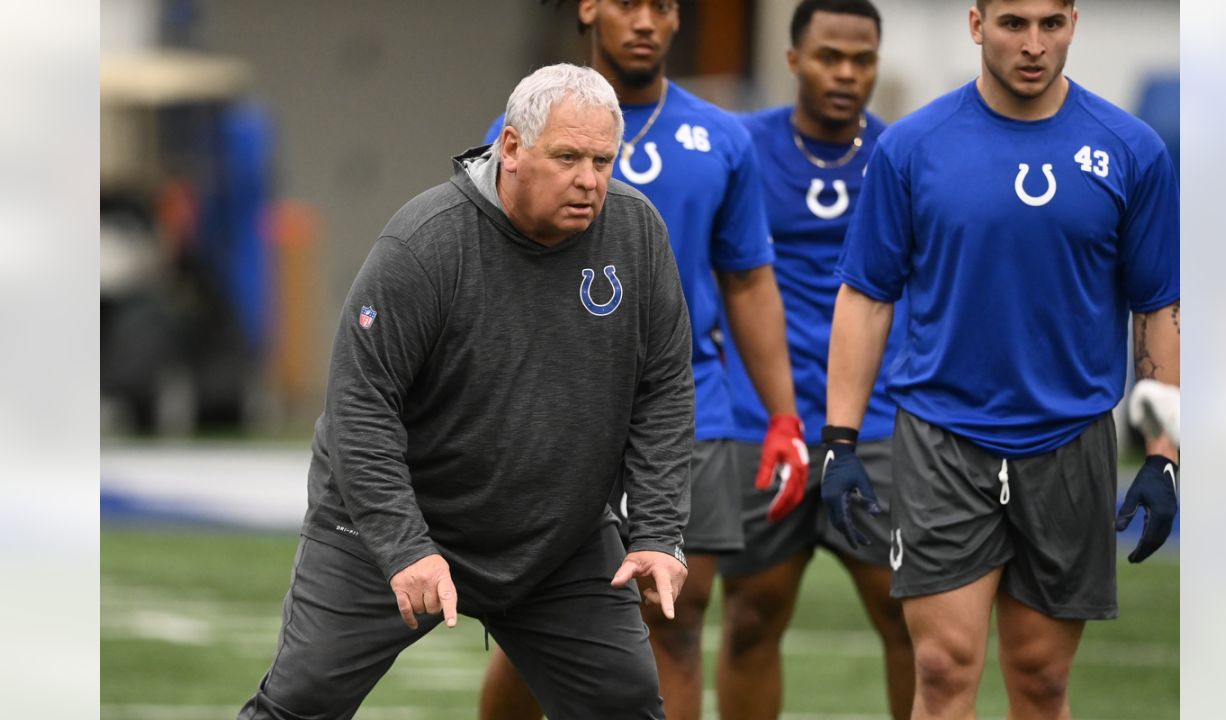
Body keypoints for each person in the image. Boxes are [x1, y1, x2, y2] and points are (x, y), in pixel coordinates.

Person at [237, 63, 695, 720]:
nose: (589, 181)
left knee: (625, 703)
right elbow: (360, 408)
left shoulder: (637, 232)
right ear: (511, 147)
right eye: (567, 157)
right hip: (390, 528)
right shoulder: (426, 243)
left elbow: (664, 390)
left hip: (559, 540)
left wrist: (656, 531)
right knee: (300, 702)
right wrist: (405, 547)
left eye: (602, 160)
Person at [823, 1, 1180, 719]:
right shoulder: (913, 147)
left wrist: (1164, 452)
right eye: (1014, 22)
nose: (1033, 43)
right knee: (943, 668)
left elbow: (1160, 307)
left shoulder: (1132, 149)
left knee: (1042, 678)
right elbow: (866, 298)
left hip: (1071, 439)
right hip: (941, 437)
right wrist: (839, 441)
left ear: (1074, 23)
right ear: (977, 23)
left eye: (1050, 23)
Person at [479, 3, 805, 719]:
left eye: (662, 6)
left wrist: (784, 416)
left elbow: (748, 280)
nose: (647, 21)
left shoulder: (724, 137)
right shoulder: (526, 126)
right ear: (589, 7)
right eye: (628, 2)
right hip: (556, 414)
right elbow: (489, 271)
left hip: (691, 407)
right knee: (532, 620)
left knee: (675, 619)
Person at [715, 2, 914, 719]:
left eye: (862, 60)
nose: (847, 73)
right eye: (830, 56)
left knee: (907, 619)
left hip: (880, 420)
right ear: (795, 59)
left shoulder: (903, 154)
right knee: (748, 619)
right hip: (761, 419)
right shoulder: (738, 147)